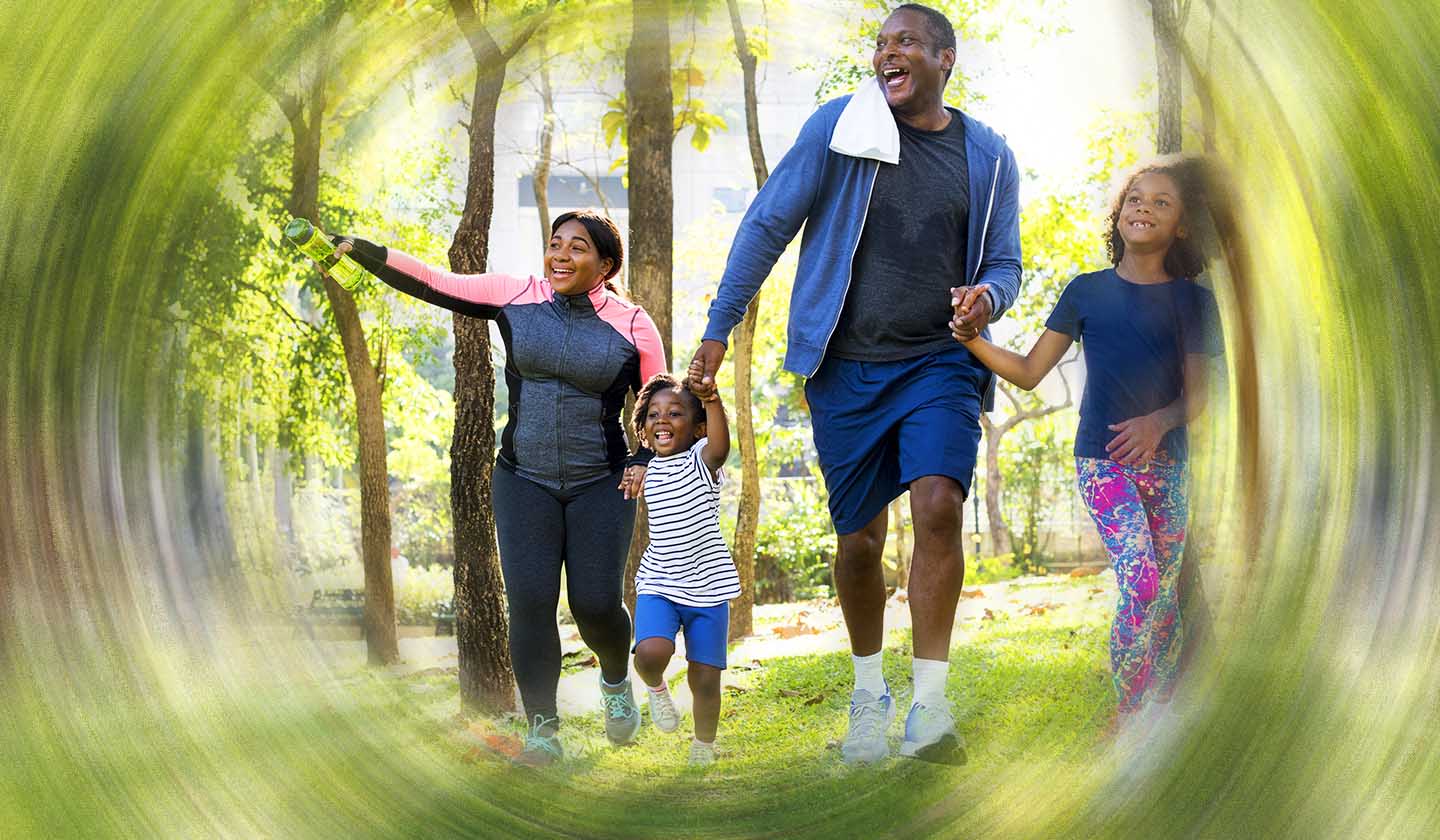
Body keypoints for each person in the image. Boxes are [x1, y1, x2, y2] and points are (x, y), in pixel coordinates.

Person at [689, 2, 1022, 764]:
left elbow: (1005, 261)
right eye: (880, 44)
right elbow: (767, 225)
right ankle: (869, 692)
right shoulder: (839, 128)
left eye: (905, 42)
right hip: (845, 369)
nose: (886, 54)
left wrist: (988, 297)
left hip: (940, 360)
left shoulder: (989, 156)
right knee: (860, 544)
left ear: (945, 58)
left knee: (938, 507)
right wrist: (718, 325)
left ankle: (930, 709)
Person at [326, 210, 666, 766]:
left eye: (577, 247)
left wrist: (644, 459)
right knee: (530, 603)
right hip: (523, 479)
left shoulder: (632, 325)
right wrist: (364, 251)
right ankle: (543, 730)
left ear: (605, 265)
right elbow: (435, 281)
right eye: (555, 243)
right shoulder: (517, 295)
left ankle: (613, 678)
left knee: (595, 604)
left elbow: (657, 402)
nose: (560, 255)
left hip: (601, 484)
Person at [951, 157, 1223, 723]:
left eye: (1162, 202)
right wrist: (973, 339)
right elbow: (1029, 371)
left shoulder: (1196, 302)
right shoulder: (1086, 292)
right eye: (1135, 199)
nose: (1144, 207)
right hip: (1103, 463)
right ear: (1119, 214)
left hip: (1169, 464)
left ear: (1182, 227)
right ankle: (1130, 715)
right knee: (1142, 583)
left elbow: (1198, 397)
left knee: (1164, 600)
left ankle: (1165, 712)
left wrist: (1158, 423)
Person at [621, 371, 738, 766]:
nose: (662, 420)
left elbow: (720, 448)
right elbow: (637, 463)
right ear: (643, 427)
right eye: (653, 414)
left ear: (698, 426)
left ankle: (703, 746)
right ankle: (656, 689)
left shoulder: (701, 459)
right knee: (650, 652)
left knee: (705, 678)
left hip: (708, 586)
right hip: (659, 582)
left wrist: (712, 399)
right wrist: (638, 465)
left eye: (674, 413)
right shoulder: (647, 469)